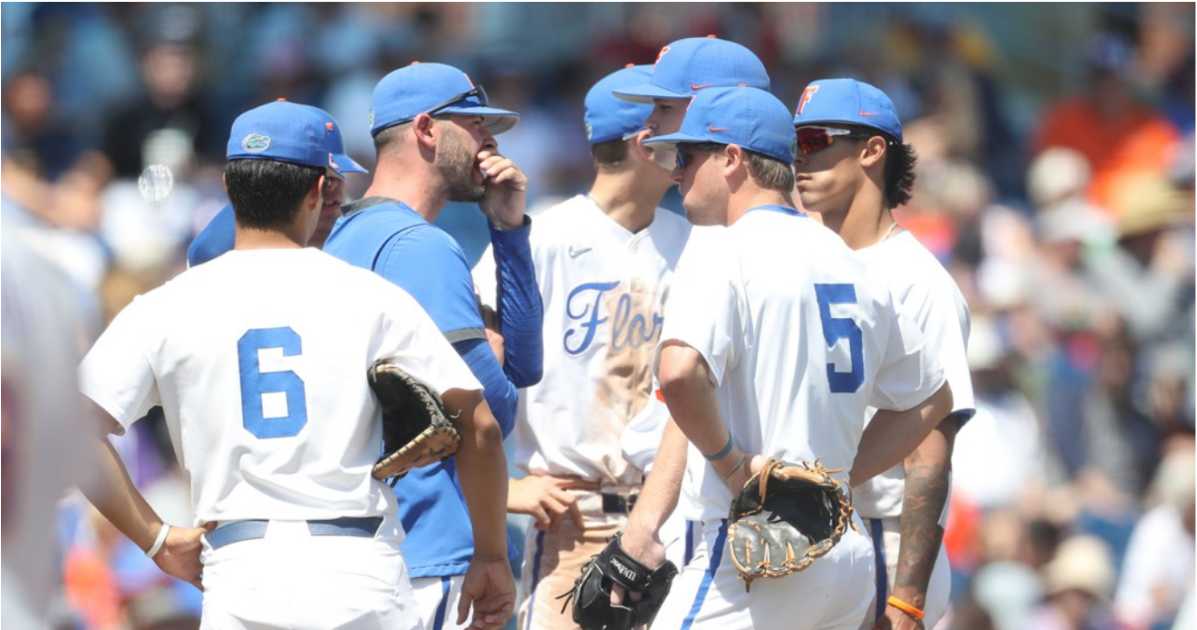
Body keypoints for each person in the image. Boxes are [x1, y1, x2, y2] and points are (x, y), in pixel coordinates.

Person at [76, 100, 513, 630]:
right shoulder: (370, 296)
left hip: (241, 572)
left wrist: (157, 538)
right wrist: (491, 555)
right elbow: (482, 428)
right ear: (319, 191)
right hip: (357, 569)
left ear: (229, 187)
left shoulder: (166, 304)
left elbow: (71, 431)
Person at [618, 86, 954, 630]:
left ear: (731, 159)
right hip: (843, 555)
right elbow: (932, 398)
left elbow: (679, 373)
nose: (676, 174)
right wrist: (838, 482)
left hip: (755, 548)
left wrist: (731, 467)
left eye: (687, 157)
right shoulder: (853, 263)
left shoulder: (722, 249)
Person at [471, 64, 691, 630]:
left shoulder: (696, 243)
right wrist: (508, 486)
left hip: (676, 516)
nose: (690, 145)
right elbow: (468, 378)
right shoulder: (540, 235)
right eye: (674, 128)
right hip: (576, 520)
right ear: (648, 144)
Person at [321, 61, 540, 630]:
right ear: (425, 130)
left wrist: (508, 230)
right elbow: (497, 411)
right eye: (474, 123)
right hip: (432, 549)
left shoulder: (336, 237)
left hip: (368, 547)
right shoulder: (420, 245)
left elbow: (523, 365)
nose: (490, 141)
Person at [792, 78, 977, 630]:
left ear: (873, 150)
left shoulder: (921, 282)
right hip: (812, 531)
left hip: (882, 538)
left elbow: (929, 455)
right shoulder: (803, 259)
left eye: (816, 140)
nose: (800, 158)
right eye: (794, 142)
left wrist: (907, 603)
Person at [187, 102, 368, 267]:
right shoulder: (215, 249)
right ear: (315, 189)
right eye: (327, 181)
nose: (332, 194)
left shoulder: (357, 239)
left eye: (338, 177)